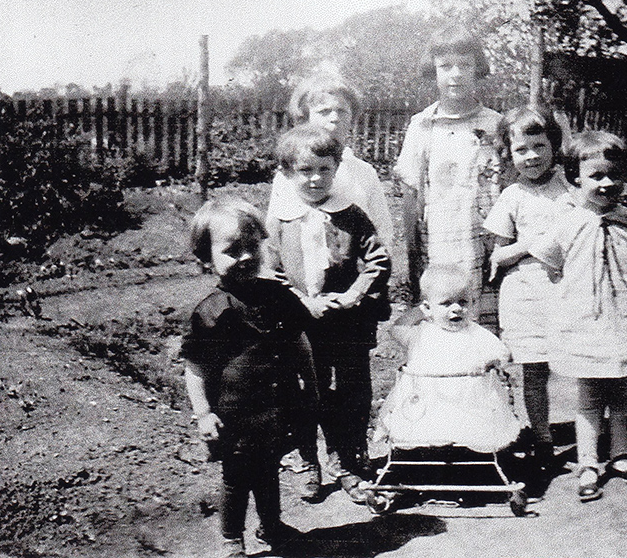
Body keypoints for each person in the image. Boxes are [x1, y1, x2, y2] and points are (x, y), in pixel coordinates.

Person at [530, 131, 627, 502]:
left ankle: (620, 454)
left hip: (624, 316)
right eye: (596, 176)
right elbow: (549, 264)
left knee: (620, 390)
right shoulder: (566, 221)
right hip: (584, 320)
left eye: (613, 175)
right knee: (588, 395)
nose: (606, 184)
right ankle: (588, 462)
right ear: (575, 178)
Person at [181, 196, 316, 557]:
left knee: (270, 472)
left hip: (276, 407)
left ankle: (271, 526)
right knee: (236, 479)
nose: (244, 257)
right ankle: (231, 538)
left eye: (251, 246)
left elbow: (299, 342)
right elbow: (195, 368)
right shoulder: (212, 312)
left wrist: (310, 385)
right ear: (207, 258)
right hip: (235, 415)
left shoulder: (278, 297)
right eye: (231, 250)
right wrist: (204, 413)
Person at [266, 123, 391, 504]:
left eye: (324, 169)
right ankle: (308, 461)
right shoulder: (281, 219)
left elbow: (378, 261)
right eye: (305, 171)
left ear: (336, 168)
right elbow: (270, 271)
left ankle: (347, 460)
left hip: (345, 322)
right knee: (305, 393)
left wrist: (354, 294)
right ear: (287, 174)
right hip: (300, 325)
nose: (316, 179)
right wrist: (302, 301)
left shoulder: (351, 215)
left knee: (350, 392)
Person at [393, 23, 502, 331]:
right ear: (434, 71)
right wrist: (414, 255)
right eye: (446, 66)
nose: (456, 74)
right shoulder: (422, 125)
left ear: (477, 69)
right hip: (438, 244)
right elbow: (411, 194)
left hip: (485, 243)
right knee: (442, 327)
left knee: (485, 332)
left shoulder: (495, 124)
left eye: (465, 65)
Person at [483, 104, 570, 475]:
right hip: (526, 293)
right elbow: (497, 256)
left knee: (584, 364)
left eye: (539, 146)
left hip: (569, 289)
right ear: (509, 154)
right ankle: (543, 440)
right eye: (521, 149)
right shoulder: (512, 196)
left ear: (553, 145)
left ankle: (594, 433)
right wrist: (530, 243)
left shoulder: (570, 188)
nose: (531, 156)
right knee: (534, 371)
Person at [376, 264, 520, 453]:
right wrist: (421, 312)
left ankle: (466, 453)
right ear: (428, 307)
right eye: (446, 303)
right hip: (429, 399)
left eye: (463, 302)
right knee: (422, 425)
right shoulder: (420, 333)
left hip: (468, 400)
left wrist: (489, 361)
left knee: (471, 428)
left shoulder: (475, 333)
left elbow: (501, 352)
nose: (456, 309)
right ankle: (427, 453)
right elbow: (397, 328)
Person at [265, 72, 395, 252]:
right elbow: (273, 232)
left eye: (342, 111)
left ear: (352, 117)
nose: (335, 118)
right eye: (324, 111)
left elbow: (383, 230)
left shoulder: (363, 172)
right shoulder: (289, 174)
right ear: (305, 118)